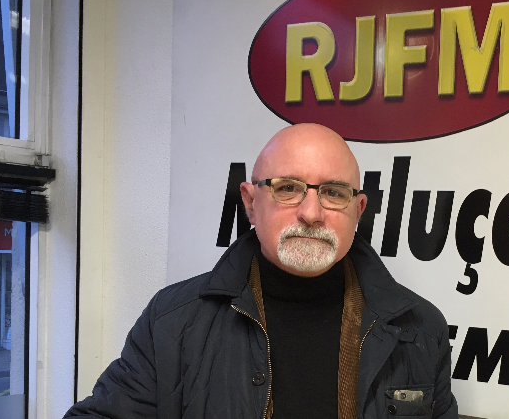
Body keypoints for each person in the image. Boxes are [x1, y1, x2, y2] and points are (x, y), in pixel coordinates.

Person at [65, 124, 458, 418]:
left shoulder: (421, 330)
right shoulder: (171, 323)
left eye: (334, 193)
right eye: (287, 188)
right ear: (251, 203)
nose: (311, 213)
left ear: (358, 210)